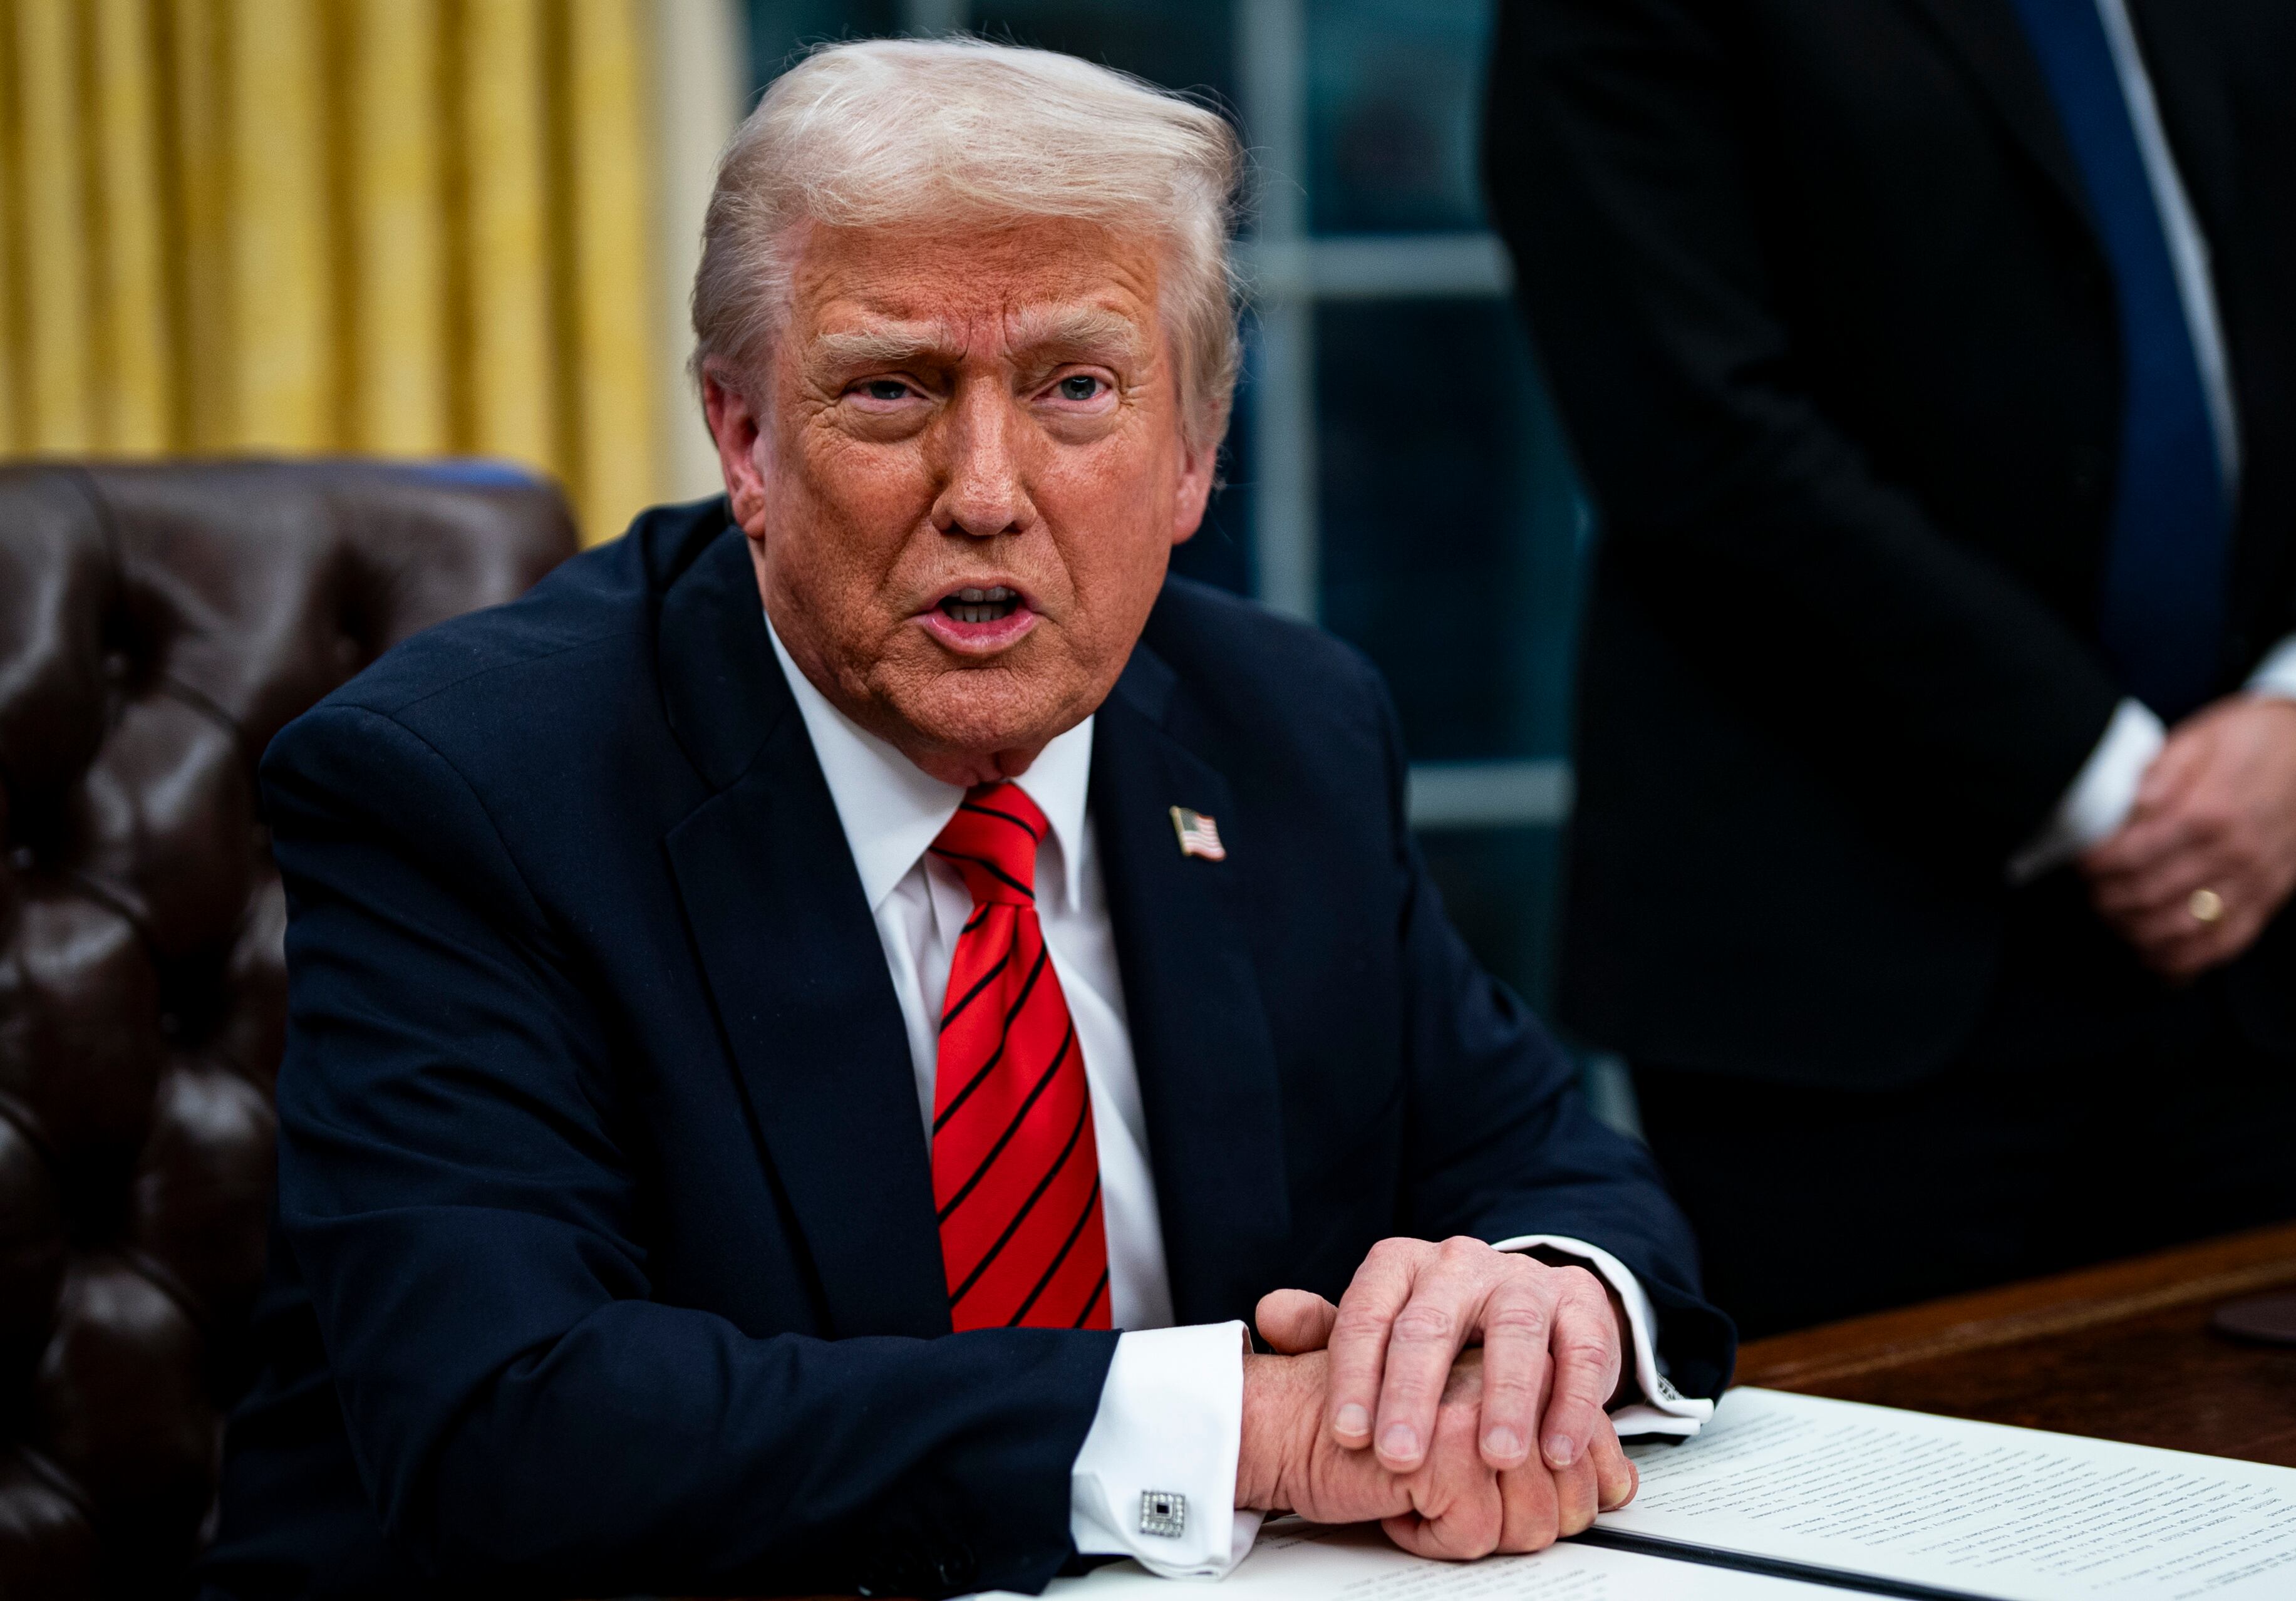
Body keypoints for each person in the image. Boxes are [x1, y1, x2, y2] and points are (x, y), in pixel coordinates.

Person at [199, 38, 1730, 1600]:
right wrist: (1236, 1432)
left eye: (1077, 387)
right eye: (890, 389)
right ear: (743, 438)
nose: (986, 489)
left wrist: (1552, 1304)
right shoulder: (467, 790)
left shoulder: (1287, 730)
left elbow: (1550, 1163)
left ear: (1195, 454)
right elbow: (510, 1433)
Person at [1482, 0, 2296, 1339]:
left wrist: (2287, 717)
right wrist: (2113, 785)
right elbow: (1693, 432)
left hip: (2266, 946)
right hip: (1850, 976)